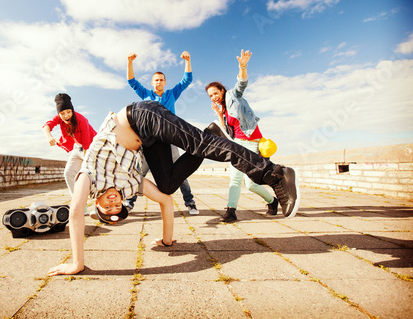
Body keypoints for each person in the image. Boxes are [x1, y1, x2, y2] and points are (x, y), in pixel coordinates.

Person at [48, 100, 300, 276]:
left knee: (203, 145)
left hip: (142, 116)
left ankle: (275, 174)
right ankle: (213, 133)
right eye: (118, 206)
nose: (114, 202)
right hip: (148, 140)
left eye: (108, 207)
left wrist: (77, 263)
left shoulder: (89, 179)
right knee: (167, 185)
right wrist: (167, 240)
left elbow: (75, 212)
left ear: (97, 203)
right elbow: (166, 201)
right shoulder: (129, 186)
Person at [206, 49, 278, 223]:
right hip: (238, 143)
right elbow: (227, 131)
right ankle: (231, 211)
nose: (214, 97)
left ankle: (272, 201)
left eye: (215, 93)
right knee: (237, 179)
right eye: (210, 96)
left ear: (222, 90)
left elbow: (241, 84)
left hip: (252, 141)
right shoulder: (222, 109)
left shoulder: (232, 96)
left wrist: (243, 66)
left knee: (251, 183)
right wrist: (218, 114)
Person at [125, 51, 199, 215]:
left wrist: (188, 60)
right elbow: (131, 81)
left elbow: (187, 80)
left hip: (169, 138)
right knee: (139, 172)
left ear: (165, 82)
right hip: (150, 141)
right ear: (152, 83)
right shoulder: (147, 95)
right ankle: (129, 202)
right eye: (156, 80)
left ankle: (190, 202)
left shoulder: (171, 94)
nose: (159, 82)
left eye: (161, 80)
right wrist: (130, 62)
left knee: (179, 172)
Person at [42, 93, 97, 215]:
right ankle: (79, 204)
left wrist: (85, 168)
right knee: (68, 173)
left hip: (92, 148)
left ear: (72, 110)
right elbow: (46, 126)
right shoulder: (58, 118)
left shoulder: (82, 120)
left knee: (92, 175)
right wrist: (49, 137)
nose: (66, 116)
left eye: (68, 112)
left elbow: (87, 144)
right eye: (62, 113)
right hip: (77, 148)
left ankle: (100, 203)